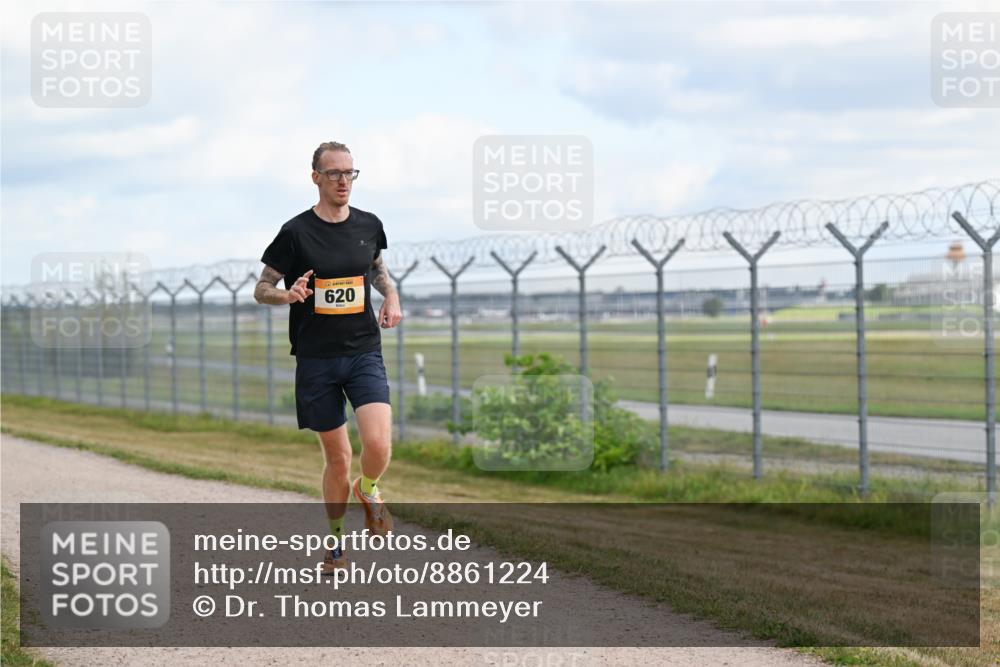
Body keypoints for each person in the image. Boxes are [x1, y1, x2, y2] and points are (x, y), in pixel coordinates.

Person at [254, 141, 403, 574]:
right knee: (336, 458)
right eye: (334, 173)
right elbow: (261, 287)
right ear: (316, 177)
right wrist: (287, 294)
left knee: (377, 444)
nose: (343, 181)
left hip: (362, 351)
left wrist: (391, 296)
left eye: (350, 174)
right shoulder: (296, 232)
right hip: (317, 360)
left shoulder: (369, 225)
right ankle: (336, 545)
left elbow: (377, 271)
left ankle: (369, 488)